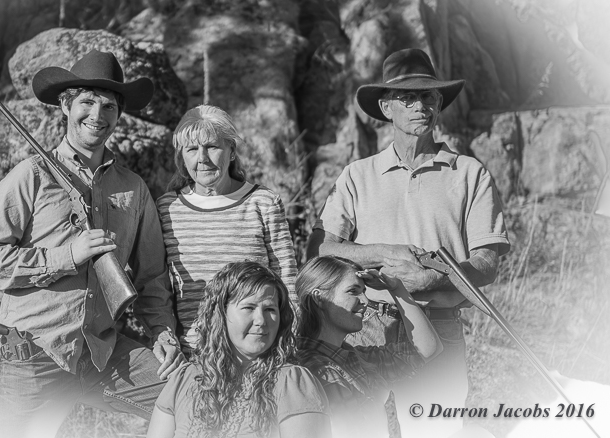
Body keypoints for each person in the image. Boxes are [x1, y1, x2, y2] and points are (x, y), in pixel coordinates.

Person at [0, 50, 185, 438]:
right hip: (34, 354)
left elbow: (152, 277)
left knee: (188, 396)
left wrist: (162, 334)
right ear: (66, 106)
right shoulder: (30, 175)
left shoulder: (133, 189)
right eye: (86, 102)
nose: (97, 116)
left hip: (101, 356)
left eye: (108, 106)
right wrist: (68, 256)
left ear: (119, 115)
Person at [306, 48, 510, 437]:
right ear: (386, 107)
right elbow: (320, 249)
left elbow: (487, 263)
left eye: (429, 96)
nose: (421, 105)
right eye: (408, 98)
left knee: (435, 430)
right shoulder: (357, 175)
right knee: (363, 429)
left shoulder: (469, 173)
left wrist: (435, 281)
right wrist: (385, 253)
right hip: (366, 326)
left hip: (440, 325)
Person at [156, 105, 298, 352]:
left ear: (231, 151)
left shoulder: (262, 202)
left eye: (212, 147)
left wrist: (290, 343)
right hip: (193, 353)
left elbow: (286, 278)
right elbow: (159, 287)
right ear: (182, 158)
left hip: (257, 351)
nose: (202, 158)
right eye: (192, 149)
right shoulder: (167, 208)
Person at [146, 261, 331, 438]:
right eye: (248, 307)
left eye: (270, 310)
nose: (261, 320)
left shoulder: (292, 383)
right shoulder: (184, 379)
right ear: (221, 315)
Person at [295, 255, 442, 438]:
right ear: (319, 298)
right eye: (353, 291)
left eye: (364, 291)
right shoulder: (306, 370)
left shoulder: (356, 358)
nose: (365, 301)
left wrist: (396, 288)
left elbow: (427, 348)